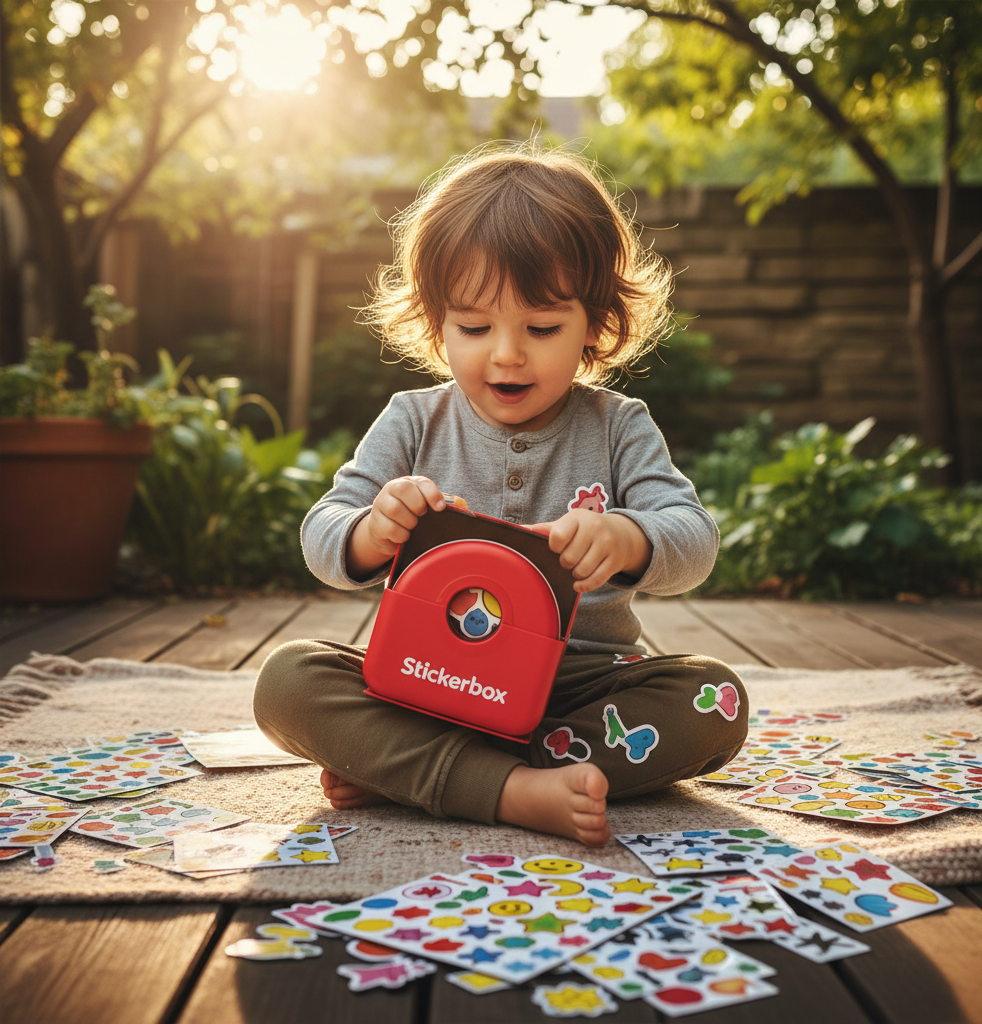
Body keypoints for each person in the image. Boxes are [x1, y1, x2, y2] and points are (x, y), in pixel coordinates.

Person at [254, 144, 747, 847]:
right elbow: (322, 534)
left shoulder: (619, 425)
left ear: (596, 327)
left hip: (581, 686)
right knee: (286, 679)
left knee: (717, 699)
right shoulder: (411, 419)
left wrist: (628, 539)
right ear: (436, 324)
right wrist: (374, 529)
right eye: (475, 327)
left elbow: (693, 539)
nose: (507, 353)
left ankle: (417, 772)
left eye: (542, 328)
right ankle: (508, 787)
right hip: (428, 683)